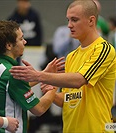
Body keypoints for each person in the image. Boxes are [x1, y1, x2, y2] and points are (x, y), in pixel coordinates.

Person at [10, 0, 116, 132]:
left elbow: (79, 80)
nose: (69, 25)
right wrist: (51, 92)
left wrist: (39, 75)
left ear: (91, 21)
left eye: (74, 20)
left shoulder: (104, 49)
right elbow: (69, 100)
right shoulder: (71, 56)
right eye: (68, 20)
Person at [0, 20, 64, 133]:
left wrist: (43, 74)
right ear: (9, 45)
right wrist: (54, 83)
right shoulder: (12, 73)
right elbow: (38, 109)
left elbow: (13, 88)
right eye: (21, 39)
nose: (25, 42)